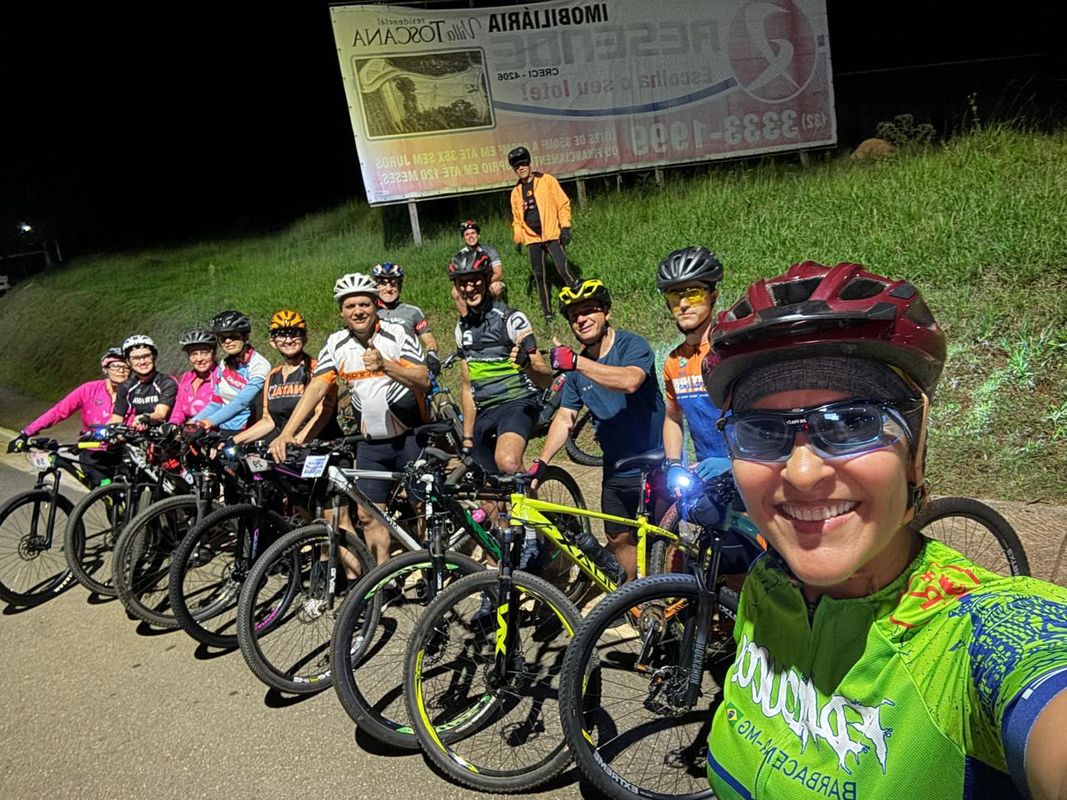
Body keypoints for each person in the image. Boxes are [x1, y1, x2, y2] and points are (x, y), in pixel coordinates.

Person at [702, 261, 1067, 799]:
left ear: (915, 453)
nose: (802, 473)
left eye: (853, 423)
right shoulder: (767, 583)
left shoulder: (979, 637)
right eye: (761, 431)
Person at [269, 273, 430, 565]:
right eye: (350, 306)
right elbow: (317, 386)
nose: (358, 311)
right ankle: (385, 577)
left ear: (376, 305)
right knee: (368, 515)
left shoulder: (397, 333)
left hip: (410, 434)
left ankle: (428, 565)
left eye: (364, 304)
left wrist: (387, 366)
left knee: (421, 504)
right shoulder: (336, 343)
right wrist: (287, 432)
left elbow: (423, 380)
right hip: (371, 442)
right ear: (341, 310)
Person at [530, 279, 665, 581]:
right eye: (574, 315)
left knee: (661, 540)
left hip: (656, 463)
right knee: (618, 537)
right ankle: (632, 600)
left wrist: (577, 363)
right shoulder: (578, 369)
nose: (581, 319)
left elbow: (630, 380)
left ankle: (672, 604)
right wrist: (541, 462)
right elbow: (565, 417)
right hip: (615, 469)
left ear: (607, 313)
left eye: (589, 310)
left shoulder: (632, 345)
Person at [449, 248, 552, 477]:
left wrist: (528, 366)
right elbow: (468, 386)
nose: (469, 288)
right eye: (462, 283)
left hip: (518, 402)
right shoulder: (461, 328)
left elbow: (546, 378)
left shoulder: (511, 319)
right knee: (483, 487)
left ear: (486, 279)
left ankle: (533, 509)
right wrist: (467, 438)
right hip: (486, 410)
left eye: (474, 280)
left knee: (507, 463)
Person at [7, 348, 130, 485]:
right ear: (105, 368)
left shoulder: (135, 393)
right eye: (115, 366)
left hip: (123, 453)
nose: (121, 370)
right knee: (106, 491)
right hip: (91, 453)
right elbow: (59, 411)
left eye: (126, 366)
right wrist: (26, 433)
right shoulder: (89, 389)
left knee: (129, 496)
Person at [234, 310, 340, 446]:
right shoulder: (273, 376)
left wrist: (294, 443)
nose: (288, 340)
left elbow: (322, 415)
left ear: (305, 338)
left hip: (319, 447)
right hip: (289, 449)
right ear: (272, 342)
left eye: (295, 334)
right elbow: (268, 420)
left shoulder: (318, 370)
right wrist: (234, 441)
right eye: (281, 335)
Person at [508, 145, 576, 320]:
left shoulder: (547, 180)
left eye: (523, 164)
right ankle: (547, 313)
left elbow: (563, 204)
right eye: (516, 166)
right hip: (532, 239)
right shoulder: (515, 193)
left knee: (563, 269)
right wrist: (518, 238)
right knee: (540, 275)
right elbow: (517, 219)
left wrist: (565, 226)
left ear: (529, 163)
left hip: (552, 233)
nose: (520, 168)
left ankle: (579, 299)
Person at [189, 310, 271, 436]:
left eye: (233, 336)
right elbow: (216, 403)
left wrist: (206, 423)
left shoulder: (259, 365)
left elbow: (242, 402)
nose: (227, 341)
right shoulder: (224, 364)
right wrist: (192, 424)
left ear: (246, 337)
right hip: (224, 430)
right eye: (222, 337)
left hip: (250, 432)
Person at [371, 261, 442, 376]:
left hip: (409, 371)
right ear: (376, 286)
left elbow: (429, 340)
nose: (388, 289)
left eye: (393, 284)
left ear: (400, 287)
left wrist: (432, 354)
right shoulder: (370, 312)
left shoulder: (413, 312)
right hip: (379, 371)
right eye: (383, 284)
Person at [108, 335, 178, 427]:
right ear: (128, 361)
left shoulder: (166, 382)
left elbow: (160, 414)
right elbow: (117, 418)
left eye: (146, 356)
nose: (142, 362)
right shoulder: (125, 386)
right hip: (137, 433)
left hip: (162, 434)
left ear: (154, 356)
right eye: (135, 358)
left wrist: (144, 418)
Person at [451, 219, 505, 317]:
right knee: (455, 292)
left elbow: (499, 274)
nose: (470, 236)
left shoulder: (490, 251)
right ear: (463, 238)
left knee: (496, 287)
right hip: (469, 284)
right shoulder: (460, 255)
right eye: (467, 234)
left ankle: (497, 314)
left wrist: (483, 283)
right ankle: (466, 319)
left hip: (489, 282)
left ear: (478, 235)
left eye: (473, 233)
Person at [168, 329, 218, 425]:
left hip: (213, 431)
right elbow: (179, 409)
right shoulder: (187, 377)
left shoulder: (220, 377)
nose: (199, 359)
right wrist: (173, 424)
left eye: (204, 353)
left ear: (214, 354)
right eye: (194, 354)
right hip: (188, 432)